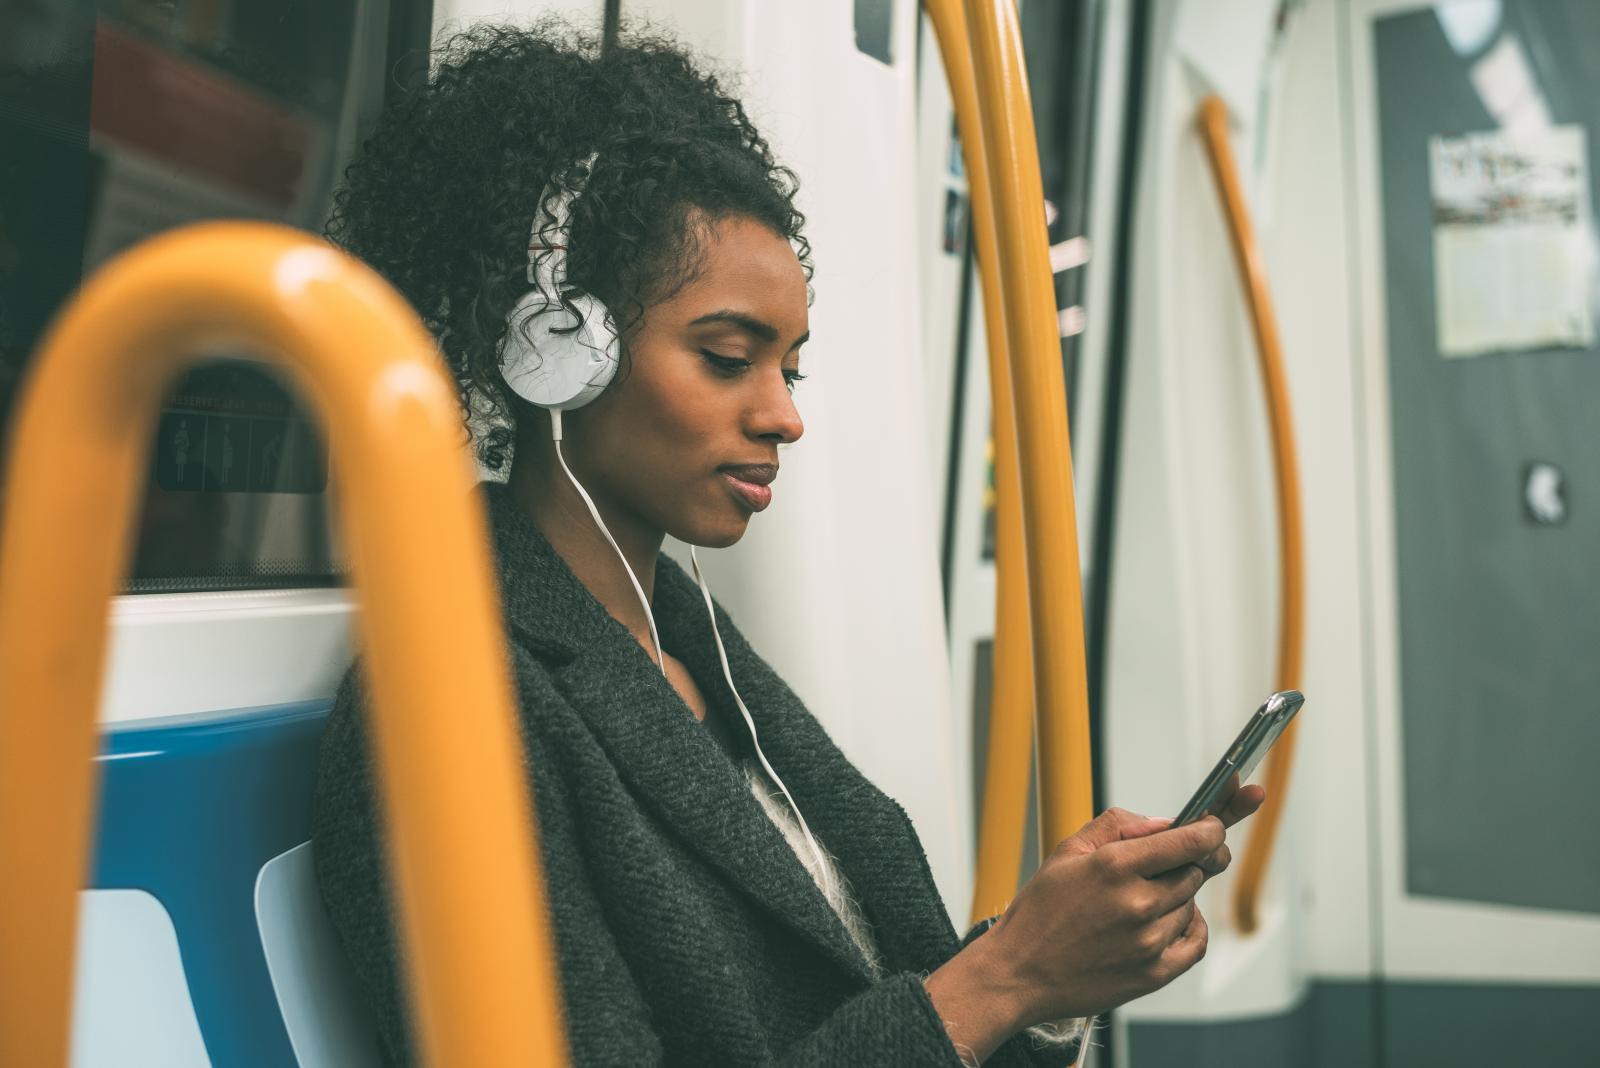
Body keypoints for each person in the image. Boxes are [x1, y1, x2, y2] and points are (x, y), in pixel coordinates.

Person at [311, 21, 1264, 1067]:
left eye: (790, 370)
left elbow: (878, 991)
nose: (783, 417)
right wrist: (1007, 976)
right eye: (727, 359)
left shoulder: (688, 637)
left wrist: (1050, 977)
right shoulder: (445, 701)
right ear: (555, 355)